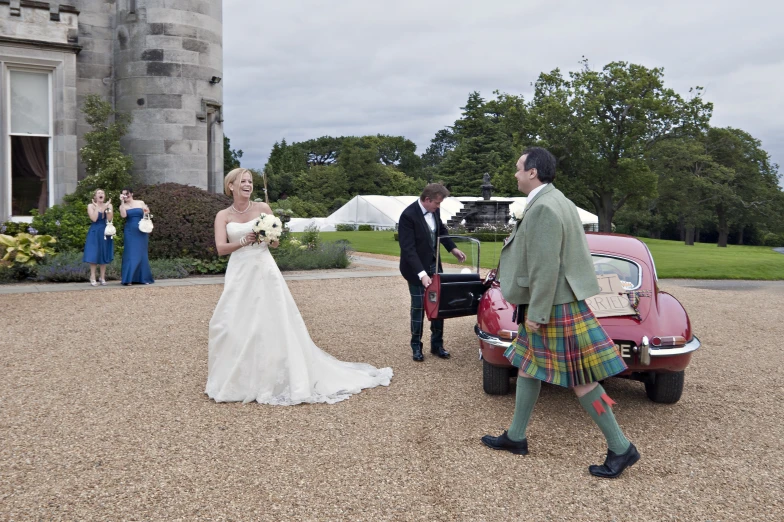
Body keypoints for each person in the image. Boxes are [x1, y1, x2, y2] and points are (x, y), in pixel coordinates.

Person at [481, 147, 639, 479]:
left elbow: (545, 266)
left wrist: (536, 312)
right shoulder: (559, 200)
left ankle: (621, 447)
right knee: (527, 366)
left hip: (552, 306)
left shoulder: (544, 208)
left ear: (533, 172)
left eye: (518, 168)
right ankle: (516, 436)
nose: (515, 173)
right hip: (559, 301)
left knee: (583, 381)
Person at [205, 168, 392, 405]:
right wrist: (243, 241)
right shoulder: (223, 215)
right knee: (230, 323)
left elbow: (275, 243)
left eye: (250, 181)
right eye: (242, 181)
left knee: (270, 322)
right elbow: (221, 248)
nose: (247, 184)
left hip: (264, 270)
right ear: (230, 186)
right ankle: (237, 379)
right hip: (240, 272)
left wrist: (269, 237)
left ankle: (273, 377)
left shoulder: (262, 208)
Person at [398, 184, 466, 362]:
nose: (438, 207)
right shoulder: (407, 216)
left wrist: (453, 249)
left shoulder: (434, 211)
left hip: (435, 267)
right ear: (427, 200)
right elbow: (408, 249)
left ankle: (437, 345)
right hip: (415, 270)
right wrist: (422, 274)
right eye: (437, 203)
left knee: (438, 306)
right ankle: (416, 347)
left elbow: (441, 231)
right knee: (419, 307)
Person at [119, 187, 154, 285]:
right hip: (130, 231)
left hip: (141, 230)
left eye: (127, 193)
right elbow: (123, 216)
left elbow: (147, 213)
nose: (126, 196)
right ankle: (128, 278)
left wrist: (147, 211)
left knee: (142, 253)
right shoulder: (123, 205)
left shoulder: (140, 202)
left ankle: (143, 278)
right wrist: (122, 202)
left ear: (132, 194)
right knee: (130, 253)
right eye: (124, 194)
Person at [83, 189, 114, 286]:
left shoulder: (109, 205)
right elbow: (94, 218)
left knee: (103, 253)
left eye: (102, 193)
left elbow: (109, 218)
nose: (101, 194)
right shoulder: (90, 206)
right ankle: (92, 276)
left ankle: (102, 277)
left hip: (105, 231)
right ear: (95, 196)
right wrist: (97, 207)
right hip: (94, 231)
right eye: (98, 193)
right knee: (94, 253)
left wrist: (106, 208)